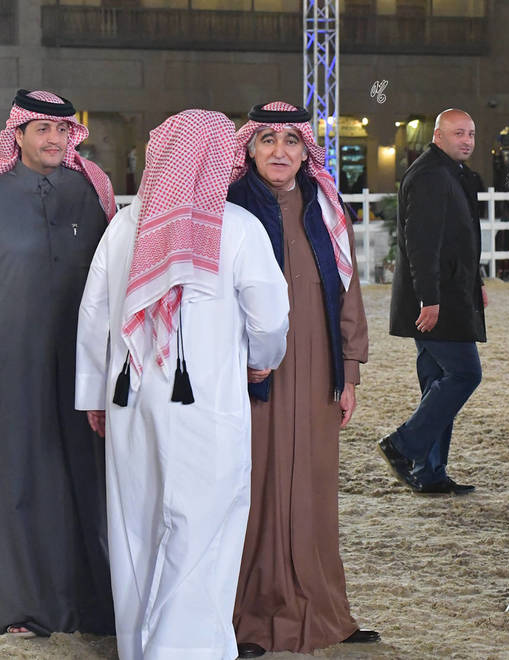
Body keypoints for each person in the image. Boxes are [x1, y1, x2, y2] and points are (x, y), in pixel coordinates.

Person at [75, 109, 290, 660]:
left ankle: (141, 647)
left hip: (130, 401)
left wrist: (94, 395)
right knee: (205, 526)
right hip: (209, 403)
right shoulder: (237, 227)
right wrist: (261, 362)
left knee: (136, 524)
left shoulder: (125, 225)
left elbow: (94, 316)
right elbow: (269, 320)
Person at [228, 102, 378, 657]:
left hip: (317, 366)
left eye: (292, 141)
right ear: (249, 147)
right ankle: (249, 617)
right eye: (268, 140)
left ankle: (323, 610)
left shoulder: (323, 203)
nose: (280, 152)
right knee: (258, 485)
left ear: (304, 151)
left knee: (313, 489)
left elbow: (347, 287)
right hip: (250, 371)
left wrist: (351, 370)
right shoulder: (230, 204)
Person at [0, 89, 116, 639]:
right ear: (17, 133)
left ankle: (88, 603)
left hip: (81, 362)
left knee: (82, 475)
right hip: (12, 362)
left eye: (62, 130)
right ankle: (23, 608)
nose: (53, 139)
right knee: (21, 475)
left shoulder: (88, 191)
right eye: (41, 129)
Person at [378, 108, 487, 494]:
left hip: (450, 295)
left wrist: (478, 283)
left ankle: (429, 472)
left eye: (471, 133)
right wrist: (429, 297)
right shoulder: (429, 175)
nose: (468, 140)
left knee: (438, 382)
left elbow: (460, 238)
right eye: (459, 133)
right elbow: (422, 244)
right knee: (464, 374)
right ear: (438, 136)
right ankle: (403, 445)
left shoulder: (450, 173)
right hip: (436, 301)